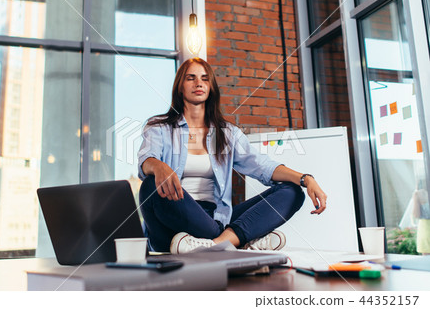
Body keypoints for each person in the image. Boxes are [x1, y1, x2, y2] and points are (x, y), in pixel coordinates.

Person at [137, 57, 327, 254]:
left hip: (215, 219)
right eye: (190, 78)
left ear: (210, 87)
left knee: (292, 191)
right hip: (175, 216)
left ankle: (217, 243)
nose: (198, 83)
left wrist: (306, 179)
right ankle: (240, 240)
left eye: (204, 78)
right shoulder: (159, 127)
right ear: (180, 87)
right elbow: (146, 159)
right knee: (150, 186)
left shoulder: (227, 133)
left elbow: (263, 166)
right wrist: (158, 166)